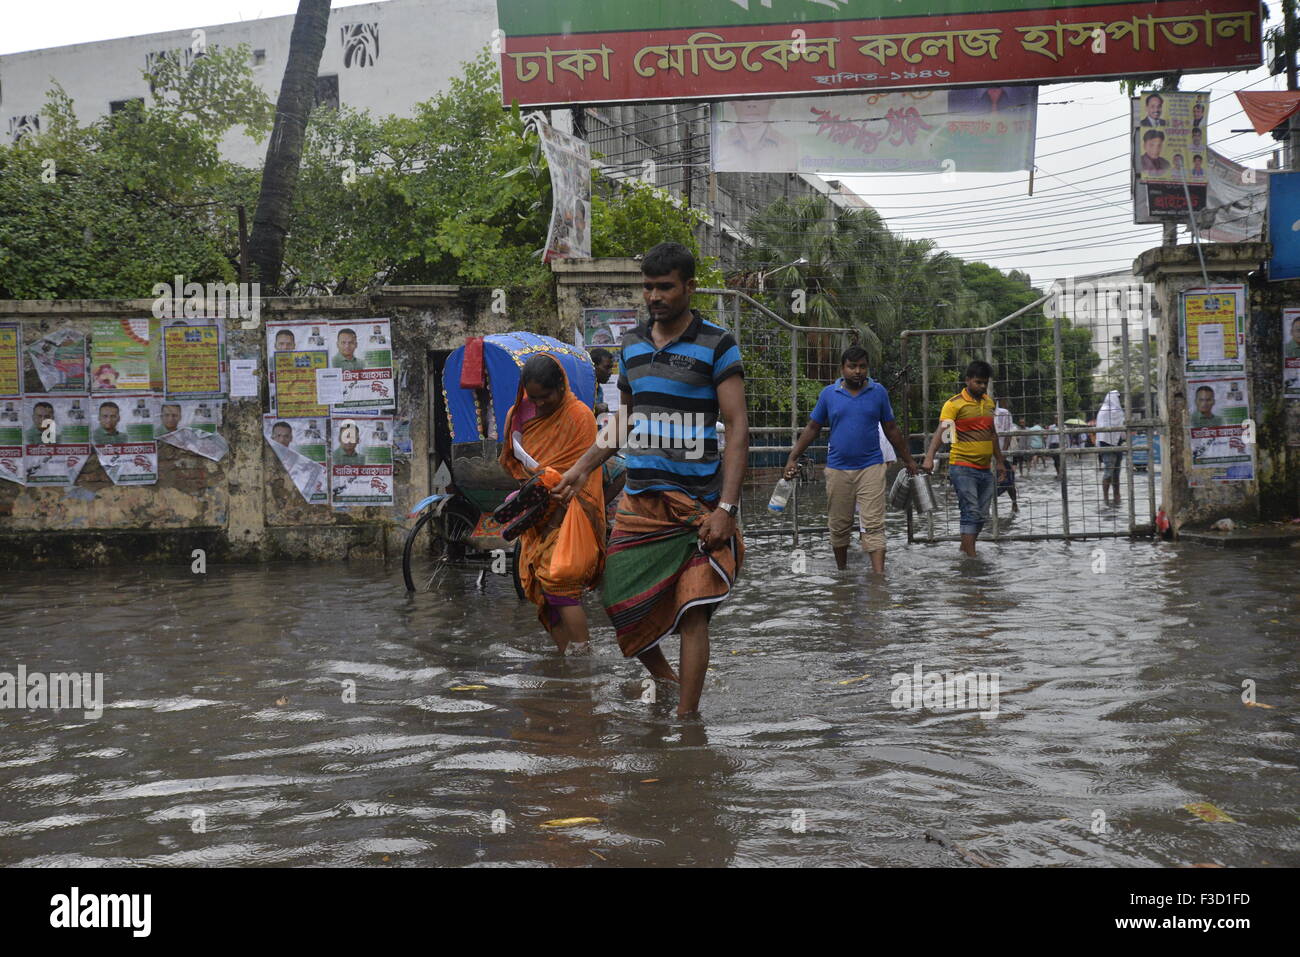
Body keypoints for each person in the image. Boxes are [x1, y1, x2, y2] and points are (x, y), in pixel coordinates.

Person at [553, 242, 748, 718]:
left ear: (689, 287)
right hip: (640, 503)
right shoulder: (632, 345)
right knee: (619, 602)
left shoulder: (717, 344)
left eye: (664, 286)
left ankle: (687, 723)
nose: (654, 296)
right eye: (648, 287)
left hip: (698, 505)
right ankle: (667, 678)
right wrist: (580, 469)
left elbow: (738, 426)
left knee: (692, 611)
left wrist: (726, 509)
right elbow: (624, 420)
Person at [499, 353, 606, 655]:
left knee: (561, 582)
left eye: (545, 396)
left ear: (561, 385)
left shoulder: (579, 416)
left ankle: (583, 655)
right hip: (535, 516)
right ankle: (564, 658)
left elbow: (585, 473)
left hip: (571, 513)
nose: (540, 403)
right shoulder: (519, 415)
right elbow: (514, 464)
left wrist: (558, 508)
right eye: (533, 397)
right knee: (544, 592)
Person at [783, 346, 919, 572]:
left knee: (874, 525)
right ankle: (842, 574)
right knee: (839, 526)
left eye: (862, 366)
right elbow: (813, 427)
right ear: (842, 368)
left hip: (871, 467)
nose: (857, 371)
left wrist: (909, 461)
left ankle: (878, 579)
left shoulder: (878, 392)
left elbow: (892, 428)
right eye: (852, 366)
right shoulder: (829, 394)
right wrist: (793, 457)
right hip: (837, 469)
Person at [921, 360, 1009, 557]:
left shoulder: (988, 403)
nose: (982, 386)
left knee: (981, 515)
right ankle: (971, 558)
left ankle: (965, 549)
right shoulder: (953, 404)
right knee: (970, 511)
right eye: (978, 382)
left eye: (985, 383)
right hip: (962, 467)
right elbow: (941, 432)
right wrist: (929, 457)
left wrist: (1000, 462)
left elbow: (992, 433)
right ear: (967, 380)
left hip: (985, 468)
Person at [1095, 390, 1125, 507]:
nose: (1119, 399)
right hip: (1106, 444)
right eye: (1118, 397)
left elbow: (1121, 428)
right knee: (1108, 472)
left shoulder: (1117, 411)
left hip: (1117, 444)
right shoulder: (1104, 411)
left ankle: (1117, 496)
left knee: (1116, 473)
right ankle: (1106, 498)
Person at [994, 400, 1018, 513]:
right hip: (985, 455)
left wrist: (1002, 456)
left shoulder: (1004, 413)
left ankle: (1014, 503)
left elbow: (1008, 435)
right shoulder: (979, 411)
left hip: (1003, 453)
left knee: (1009, 481)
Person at [590, 346, 614, 416]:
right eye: (607, 367)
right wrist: (596, 409)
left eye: (611, 368)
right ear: (593, 367)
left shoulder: (599, 389)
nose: (610, 372)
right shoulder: (583, 388)